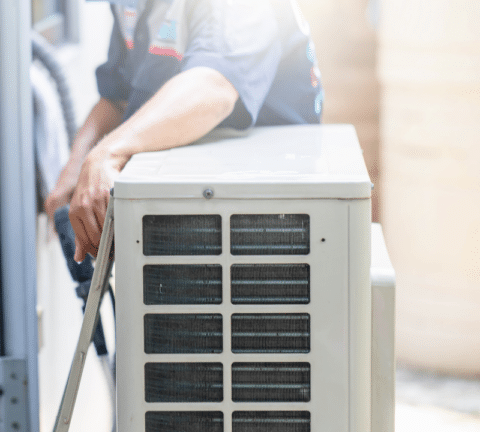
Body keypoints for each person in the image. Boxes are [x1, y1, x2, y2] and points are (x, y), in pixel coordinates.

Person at [45, 0, 324, 261]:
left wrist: (107, 153)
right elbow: (119, 97)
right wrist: (76, 165)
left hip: (264, 216)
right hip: (186, 206)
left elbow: (213, 88)